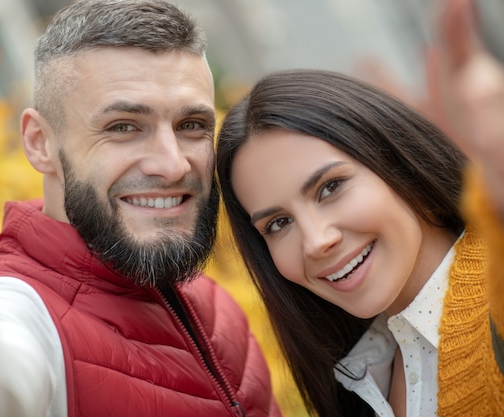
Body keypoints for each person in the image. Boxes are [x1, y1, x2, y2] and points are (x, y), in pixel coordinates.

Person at [0, 1, 281, 416]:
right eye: (123, 127)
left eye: (191, 125)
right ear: (39, 143)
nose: (173, 163)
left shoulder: (213, 304)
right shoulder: (24, 311)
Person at [215, 0, 504, 416]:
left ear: (396, 159)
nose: (316, 241)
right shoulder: (360, 373)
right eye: (278, 223)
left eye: (330, 187)